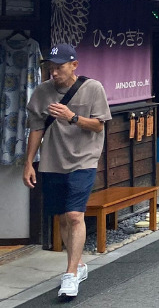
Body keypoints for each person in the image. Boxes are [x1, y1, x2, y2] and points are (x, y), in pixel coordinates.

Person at [22, 44, 111, 300]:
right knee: (62, 217)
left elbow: (98, 126)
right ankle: (78, 264)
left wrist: (72, 117)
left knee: (74, 215)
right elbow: (36, 129)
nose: (54, 72)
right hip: (52, 161)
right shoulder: (42, 92)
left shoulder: (93, 88)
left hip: (84, 160)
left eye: (59, 67)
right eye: (51, 67)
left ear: (74, 65)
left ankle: (70, 274)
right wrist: (29, 163)